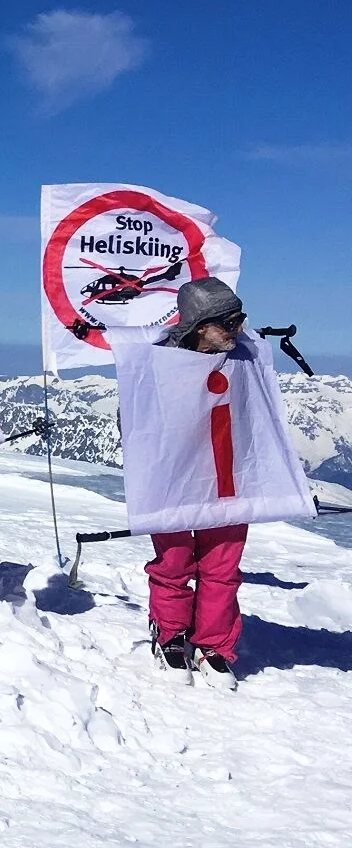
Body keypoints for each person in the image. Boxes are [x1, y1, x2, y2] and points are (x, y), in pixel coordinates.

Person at [146, 277, 251, 690]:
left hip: (227, 475)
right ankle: (170, 633)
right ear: (199, 325)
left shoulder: (246, 362)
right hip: (172, 476)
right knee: (173, 561)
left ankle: (214, 646)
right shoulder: (158, 364)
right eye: (229, 322)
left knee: (222, 563)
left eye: (240, 320)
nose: (237, 330)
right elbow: (134, 422)